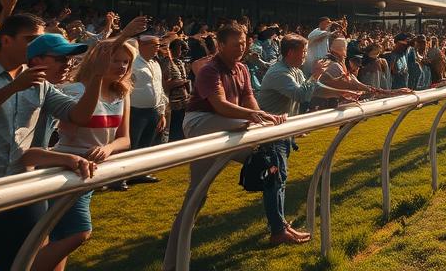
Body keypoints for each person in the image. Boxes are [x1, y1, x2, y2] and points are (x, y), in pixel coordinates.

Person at [0, 13, 135, 271]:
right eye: (31, 40)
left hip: (22, 188)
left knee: (20, 262)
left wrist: (95, 78)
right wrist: (13, 88)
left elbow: (80, 116)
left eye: (67, 58)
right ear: (6, 41)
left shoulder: (41, 86)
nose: (65, 63)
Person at [163, 26, 286, 269]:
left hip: (230, 124)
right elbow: (219, 106)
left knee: (267, 152)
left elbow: (250, 99)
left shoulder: (241, 68)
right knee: (197, 194)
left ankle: (277, 216)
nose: (241, 48)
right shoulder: (210, 70)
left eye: (243, 43)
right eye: (235, 44)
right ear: (220, 45)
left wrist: (260, 115)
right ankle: (173, 260)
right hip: (201, 124)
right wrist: (256, 116)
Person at [23, 38, 136, 271]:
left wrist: (108, 148)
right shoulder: (72, 90)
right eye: (116, 60)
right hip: (64, 168)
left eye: (126, 62)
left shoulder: (122, 94)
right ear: (99, 61)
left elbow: (124, 139)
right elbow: (70, 122)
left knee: (58, 235)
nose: (122, 67)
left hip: (91, 170)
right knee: (78, 232)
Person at [255, 35, 356, 246]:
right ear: (290, 52)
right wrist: (317, 74)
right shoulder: (279, 73)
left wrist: (341, 92)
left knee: (280, 180)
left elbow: (315, 89)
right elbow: (302, 95)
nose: (306, 56)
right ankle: (277, 230)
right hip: (271, 135)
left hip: (282, 133)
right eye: (303, 52)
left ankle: (281, 226)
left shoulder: (296, 71)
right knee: (275, 182)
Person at [124, 33, 168, 185]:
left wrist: (162, 112)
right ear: (142, 45)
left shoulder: (155, 64)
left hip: (152, 110)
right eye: (154, 45)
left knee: (145, 145)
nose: (157, 48)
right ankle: (121, 176)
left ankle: (140, 173)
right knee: (131, 144)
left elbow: (159, 88)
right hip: (135, 110)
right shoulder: (133, 63)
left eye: (158, 45)